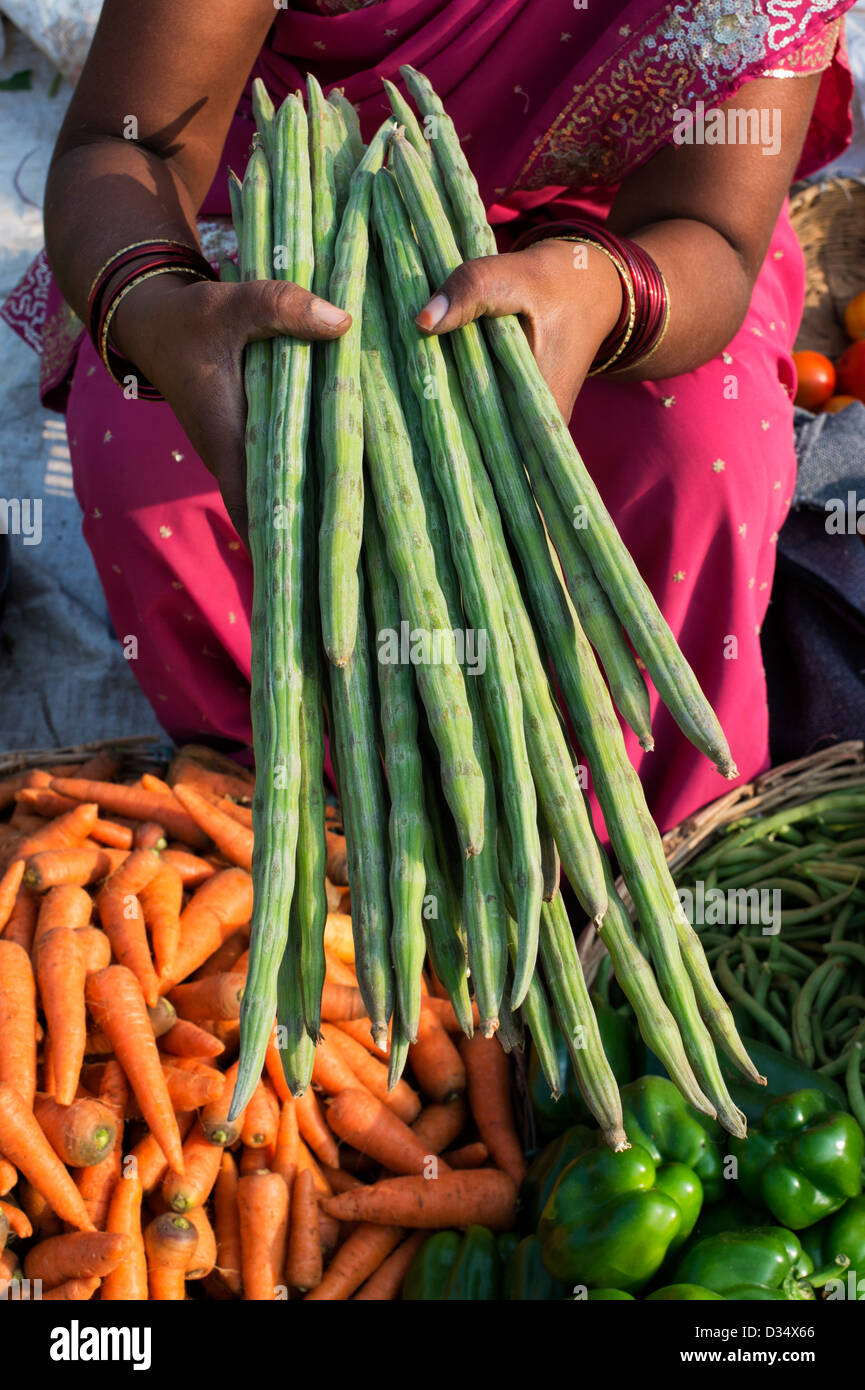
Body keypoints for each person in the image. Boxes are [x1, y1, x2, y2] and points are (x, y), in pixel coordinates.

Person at [2, 0, 856, 833]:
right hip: (297, 208)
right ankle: (310, 829)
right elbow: (126, 142)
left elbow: (710, 230)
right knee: (150, 461)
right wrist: (160, 309)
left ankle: (639, 844)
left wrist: (591, 293)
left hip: (611, 238)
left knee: (694, 448)